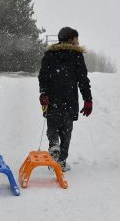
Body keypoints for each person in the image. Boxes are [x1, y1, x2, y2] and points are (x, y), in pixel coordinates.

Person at [38, 27, 93, 172]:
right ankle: (61, 161)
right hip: (69, 100)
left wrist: (43, 93)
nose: (78, 41)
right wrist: (88, 99)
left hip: (52, 98)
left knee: (53, 126)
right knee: (66, 131)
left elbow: (42, 76)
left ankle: (53, 145)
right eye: (76, 38)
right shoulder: (76, 55)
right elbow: (83, 80)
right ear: (70, 39)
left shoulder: (49, 54)